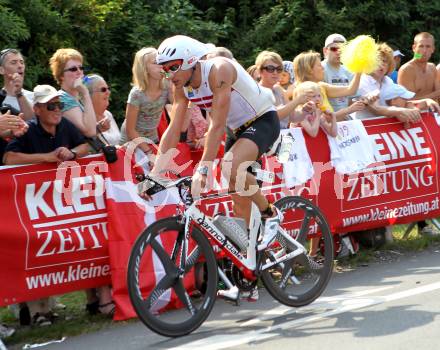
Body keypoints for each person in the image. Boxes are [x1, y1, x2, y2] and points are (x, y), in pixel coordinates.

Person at [144, 35, 282, 301]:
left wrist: (203, 170)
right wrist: (155, 173)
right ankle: (249, 273)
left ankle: (270, 212)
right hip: (238, 131)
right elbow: (174, 129)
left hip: (262, 120)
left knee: (229, 166)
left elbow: (216, 126)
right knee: (239, 205)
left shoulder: (219, 70)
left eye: (172, 67)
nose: (168, 74)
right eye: (164, 69)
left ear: (190, 60)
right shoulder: (182, 85)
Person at [3, 84, 89, 165]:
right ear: (37, 110)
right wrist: (47, 157)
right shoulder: (27, 129)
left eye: (60, 105)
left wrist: (72, 153)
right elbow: (8, 158)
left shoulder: (65, 123)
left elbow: (84, 146)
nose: (57, 109)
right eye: (51, 106)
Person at [119, 47, 172, 154]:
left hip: (152, 138)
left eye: (162, 61)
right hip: (131, 143)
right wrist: (148, 152)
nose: (162, 65)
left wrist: (170, 79)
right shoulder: (137, 94)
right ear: (144, 68)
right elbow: (130, 130)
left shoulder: (166, 86)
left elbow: (175, 103)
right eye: (156, 62)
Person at [293, 50, 365, 121]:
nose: (323, 68)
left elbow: (350, 90)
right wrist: (349, 110)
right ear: (309, 70)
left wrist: (359, 71)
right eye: (319, 65)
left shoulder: (321, 86)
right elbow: (323, 119)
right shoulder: (304, 91)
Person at [49, 48, 97, 137]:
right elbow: (90, 132)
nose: (79, 72)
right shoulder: (62, 98)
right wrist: (85, 93)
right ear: (61, 75)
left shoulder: (77, 99)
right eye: (73, 69)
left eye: (81, 68)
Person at [256, 50, 309, 128]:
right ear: (259, 71)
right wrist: (297, 101)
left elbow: (293, 117)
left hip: (282, 136)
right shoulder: (257, 91)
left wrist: (306, 110)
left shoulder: (278, 89)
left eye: (279, 69)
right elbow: (274, 117)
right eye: (270, 68)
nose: (275, 72)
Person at [398, 32, 440, 101]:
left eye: (428, 46)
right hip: (414, 111)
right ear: (414, 48)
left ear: (433, 49)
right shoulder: (406, 69)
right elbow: (406, 101)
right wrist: (436, 94)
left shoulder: (432, 67)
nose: (424, 50)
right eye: (421, 46)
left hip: (433, 111)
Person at [322, 34, 355, 113]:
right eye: (334, 49)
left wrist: (366, 100)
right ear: (325, 50)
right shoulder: (319, 68)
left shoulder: (349, 71)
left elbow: (350, 100)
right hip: (325, 119)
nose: (338, 52)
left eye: (342, 49)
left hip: (345, 118)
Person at [84, 74, 120, 145]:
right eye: (103, 89)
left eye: (108, 89)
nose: (108, 92)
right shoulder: (84, 119)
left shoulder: (108, 114)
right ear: (89, 95)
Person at [0, 48, 34, 119]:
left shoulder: (34, 96)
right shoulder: (1, 99)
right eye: (13, 62)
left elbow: (32, 121)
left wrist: (19, 93)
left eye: (22, 62)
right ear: (2, 70)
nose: (20, 66)